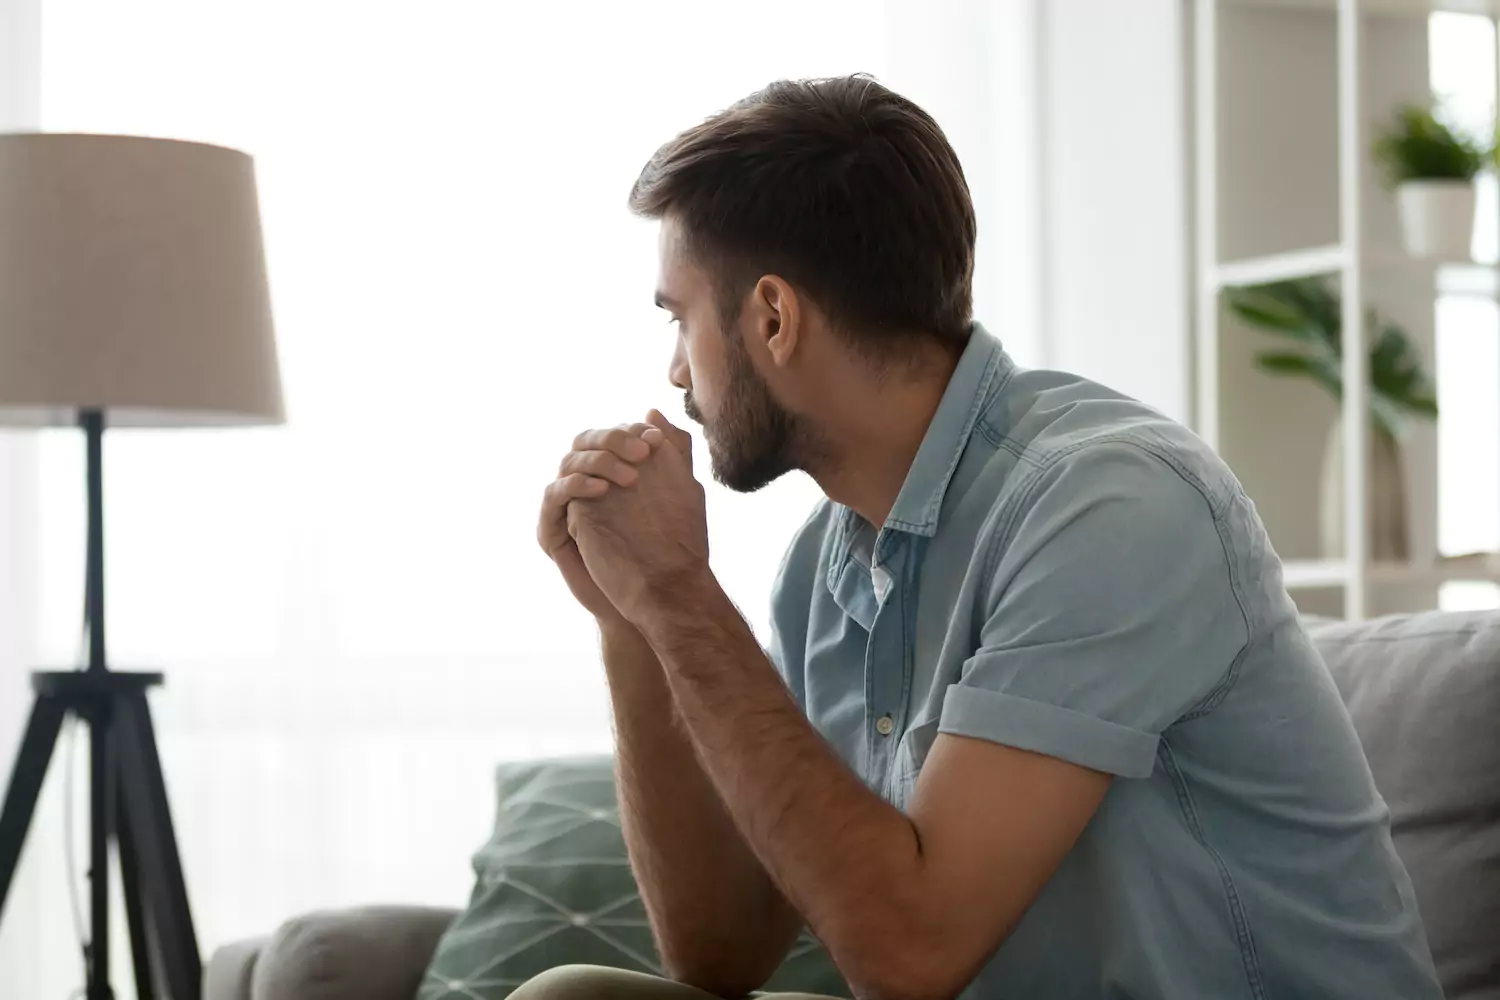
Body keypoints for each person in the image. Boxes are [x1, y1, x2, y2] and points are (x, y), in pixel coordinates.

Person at [522, 75, 1442, 1000]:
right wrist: (634, 621)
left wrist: (682, 593)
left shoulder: (1110, 504)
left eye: (679, 317)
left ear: (772, 318)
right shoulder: (823, 567)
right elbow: (719, 956)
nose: (674, 368)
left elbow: (910, 955)